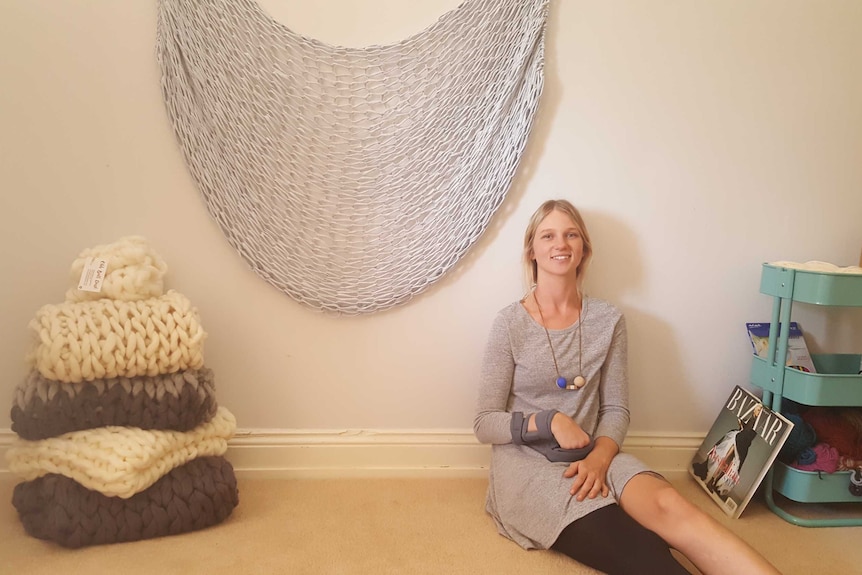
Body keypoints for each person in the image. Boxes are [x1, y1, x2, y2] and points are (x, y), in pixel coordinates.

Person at [473, 199, 781, 575]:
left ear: (584, 248)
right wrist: (549, 421)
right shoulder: (509, 324)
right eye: (548, 235)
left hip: (596, 453)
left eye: (571, 235)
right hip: (528, 468)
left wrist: (600, 457)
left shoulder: (608, 319)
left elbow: (616, 409)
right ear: (532, 250)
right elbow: (485, 422)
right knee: (641, 551)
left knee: (671, 506)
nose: (561, 244)